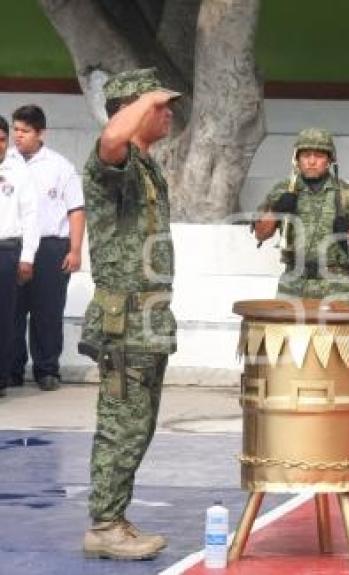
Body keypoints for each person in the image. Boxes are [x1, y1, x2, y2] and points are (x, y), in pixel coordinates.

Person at [79, 68, 181, 559]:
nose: (169, 111)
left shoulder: (145, 166)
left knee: (137, 425)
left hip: (149, 320)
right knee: (121, 423)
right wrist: (140, 102)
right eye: (161, 104)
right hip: (125, 323)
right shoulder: (111, 162)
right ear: (135, 109)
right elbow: (111, 134)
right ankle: (103, 526)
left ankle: (114, 517)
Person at [8, 105, 85, 391]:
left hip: (51, 245)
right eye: (15, 130)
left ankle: (46, 369)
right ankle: (11, 369)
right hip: (15, 245)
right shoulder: (7, 163)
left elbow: (76, 210)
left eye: (25, 131)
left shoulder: (60, 166)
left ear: (41, 133)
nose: (19, 136)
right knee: (11, 309)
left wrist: (74, 250)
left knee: (47, 310)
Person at [253, 128, 349, 300]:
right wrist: (277, 210)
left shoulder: (347, 193)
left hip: (334, 283)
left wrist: (348, 233)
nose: (312, 161)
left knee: (338, 328)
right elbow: (261, 233)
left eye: (319, 156)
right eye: (306, 155)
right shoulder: (282, 190)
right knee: (286, 327)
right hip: (294, 281)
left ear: (329, 159)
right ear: (297, 159)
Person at [0, 116, 38, 398]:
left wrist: (27, 257)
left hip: (7, 250)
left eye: (2, 139)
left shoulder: (19, 171)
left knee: (5, 319)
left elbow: (31, 217)